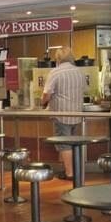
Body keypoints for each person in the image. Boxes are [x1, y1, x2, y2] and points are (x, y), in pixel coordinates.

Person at [41, 46, 85, 179]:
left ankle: (70, 173)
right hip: (77, 113)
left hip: (61, 113)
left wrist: (42, 103)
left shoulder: (56, 72)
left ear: (58, 58)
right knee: (73, 143)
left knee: (64, 144)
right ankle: (75, 170)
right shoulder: (79, 72)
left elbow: (47, 94)